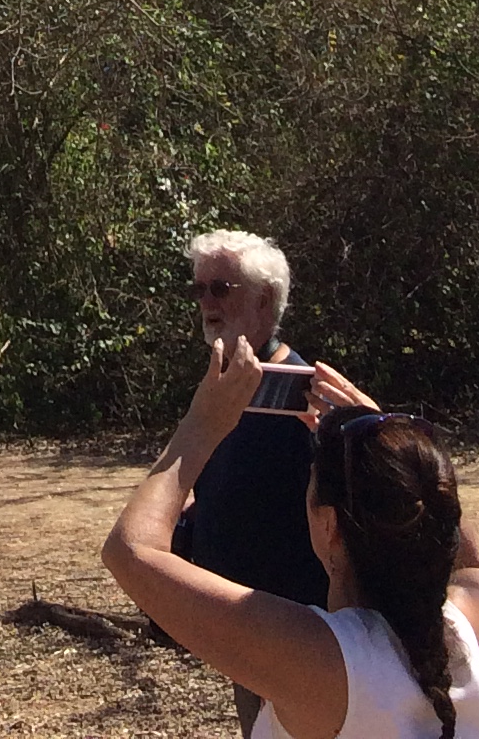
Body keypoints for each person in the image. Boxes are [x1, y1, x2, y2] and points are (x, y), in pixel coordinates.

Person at [105, 340, 479, 738]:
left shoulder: (319, 658)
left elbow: (130, 551)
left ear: (329, 525)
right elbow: (477, 565)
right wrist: (392, 442)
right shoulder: (460, 630)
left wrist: (202, 423)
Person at [174, 230, 330, 725]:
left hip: (301, 638)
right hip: (242, 635)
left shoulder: (304, 398)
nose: (206, 302)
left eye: (220, 287)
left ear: (264, 301)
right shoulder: (223, 389)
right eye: (198, 290)